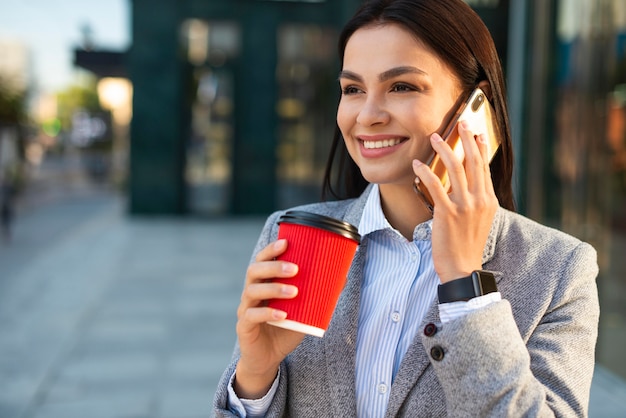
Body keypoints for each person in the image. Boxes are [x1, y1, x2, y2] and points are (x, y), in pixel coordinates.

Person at [213, 0, 600, 416]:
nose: (368, 114)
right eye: (353, 89)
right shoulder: (292, 236)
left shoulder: (557, 271)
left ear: (475, 107)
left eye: (402, 86)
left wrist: (467, 292)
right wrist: (255, 374)